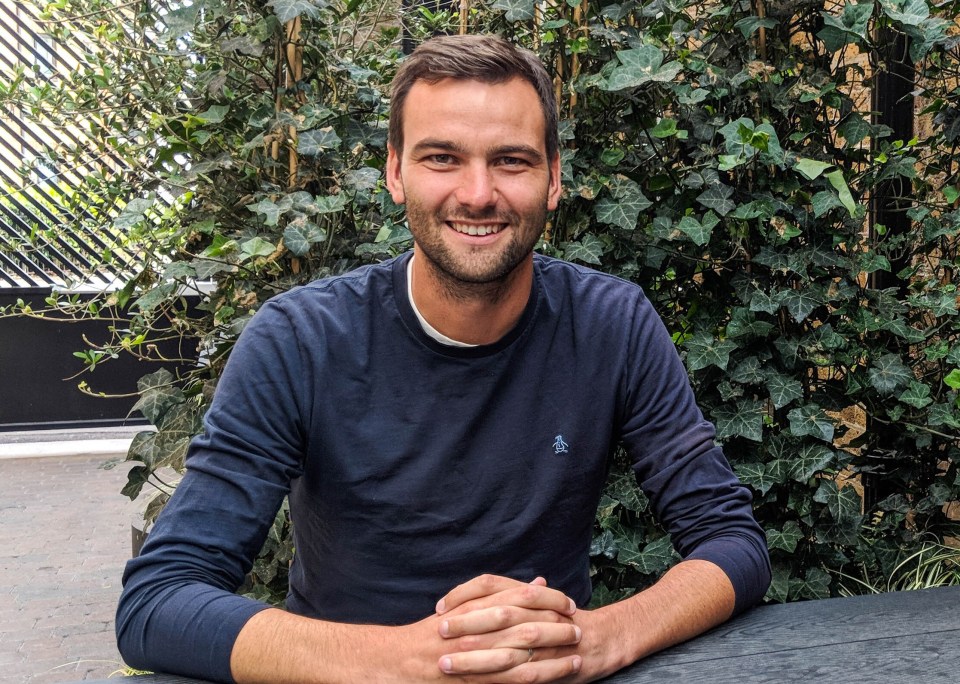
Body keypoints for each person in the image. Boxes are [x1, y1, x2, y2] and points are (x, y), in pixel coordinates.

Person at [116, 33, 770, 683]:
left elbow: (732, 542)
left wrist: (607, 637)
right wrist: (401, 659)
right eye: (443, 158)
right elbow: (158, 602)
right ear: (396, 173)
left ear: (553, 178)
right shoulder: (300, 341)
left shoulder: (612, 324)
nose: (479, 193)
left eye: (511, 160)